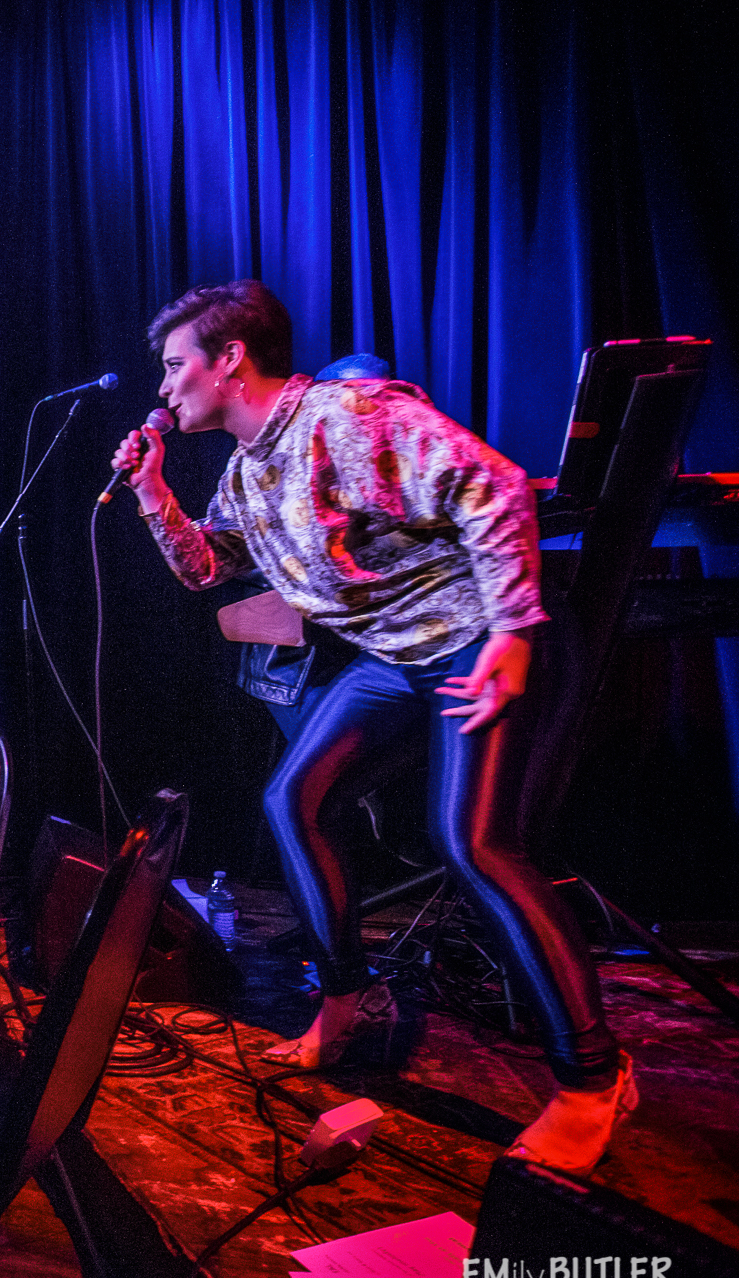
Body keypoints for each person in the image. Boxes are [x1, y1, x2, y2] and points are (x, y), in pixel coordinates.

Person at [111, 280, 632, 1177]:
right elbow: (205, 569)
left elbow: (496, 485)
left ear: (229, 359)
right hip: (396, 658)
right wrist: (153, 489)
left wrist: (512, 630)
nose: (162, 387)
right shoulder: (246, 471)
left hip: (476, 636)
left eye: (173, 364)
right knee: (294, 800)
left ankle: (594, 1077)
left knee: (474, 844)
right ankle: (346, 999)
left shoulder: (345, 417)